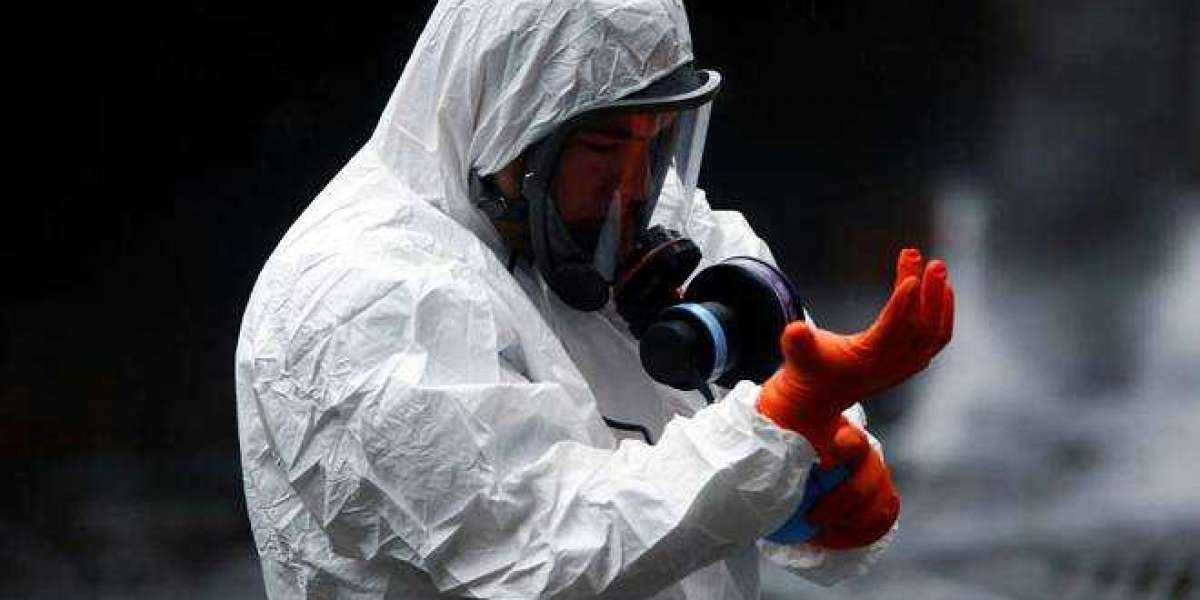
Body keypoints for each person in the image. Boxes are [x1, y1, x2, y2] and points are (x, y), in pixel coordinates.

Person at [234, 1, 954, 598]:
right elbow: (534, 550)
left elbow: (758, 437)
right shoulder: (359, 295)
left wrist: (825, 477)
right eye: (606, 148)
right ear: (506, 122)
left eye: (659, 141)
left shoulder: (658, 228)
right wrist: (778, 427)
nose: (634, 189)